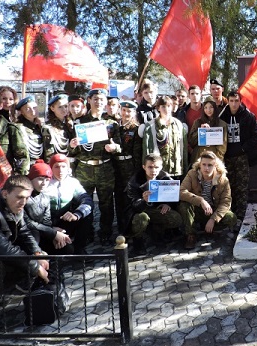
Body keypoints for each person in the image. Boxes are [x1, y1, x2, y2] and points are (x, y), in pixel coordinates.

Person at [0, 175, 49, 329]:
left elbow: (24, 232)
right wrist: (34, 266)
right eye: (19, 197)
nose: (23, 202)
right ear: (5, 193)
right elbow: (1, 247)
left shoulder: (14, 206)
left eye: (26, 198)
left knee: (29, 263)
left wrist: (37, 253)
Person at [68, 88, 121, 245]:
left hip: (105, 168)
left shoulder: (111, 123)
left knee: (106, 204)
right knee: (84, 202)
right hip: (85, 169)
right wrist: (72, 145)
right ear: (89, 101)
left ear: (106, 102)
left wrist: (114, 148)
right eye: (95, 99)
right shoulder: (79, 123)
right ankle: (87, 232)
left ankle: (105, 232)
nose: (99, 102)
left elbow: (119, 146)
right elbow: (72, 150)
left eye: (102, 99)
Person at [125, 153, 184, 252]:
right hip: (140, 211)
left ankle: (156, 231)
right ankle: (137, 240)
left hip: (155, 210)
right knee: (142, 219)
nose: (153, 170)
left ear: (161, 167)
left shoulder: (165, 177)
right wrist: (143, 200)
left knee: (176, 219)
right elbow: (133, 207)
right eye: (150, 167)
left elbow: (173, 195)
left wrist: (167, 204)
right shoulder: (134, 182)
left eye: (156, 167)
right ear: (144, 167)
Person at [179, 151, 238, 249]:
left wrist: (213, 219)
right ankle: (191, 235)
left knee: (231, 218)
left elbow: (226, 202)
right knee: (184, 205)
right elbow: (181, 192)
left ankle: (209, 228)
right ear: (200, 164)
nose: (206, 168)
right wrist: (201, 200)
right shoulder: (192, 174)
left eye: (210, 165)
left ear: (215, 166)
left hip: (213, 210)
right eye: (204, 165)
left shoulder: (223, 180)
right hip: (197, 209)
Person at [219, 90, 257, 219]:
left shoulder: (248, 116)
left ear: (240, 101)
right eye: (231, 101)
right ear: (228, 101)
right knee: (228, 187)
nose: (234, 104)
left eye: (236, 101)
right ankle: (229, 215)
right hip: (226, 157)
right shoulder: (222, 116)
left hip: (242, 157)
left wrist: (243, 148)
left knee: (242, 187)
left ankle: (240, 216)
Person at [43, 154, 94, 254]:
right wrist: (51, 229)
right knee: (63, 250)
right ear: (51, 168)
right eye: (56, 167)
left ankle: (80, 249)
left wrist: (76, 214)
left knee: (86, 214)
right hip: (45, 223)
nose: (60, 170)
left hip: (64, 221)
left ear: (68, 168)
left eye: (63, 167)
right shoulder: (44, 182)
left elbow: (87, 200)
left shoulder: (73, 182)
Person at [24, 159, 73, 254]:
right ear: (31, 178)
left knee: (67, 247)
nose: (44, 183)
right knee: (35, 235)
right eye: (40, 179)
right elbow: (26, 222)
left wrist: (53, 234)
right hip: (27, 233)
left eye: (47, 180)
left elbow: (46, 221)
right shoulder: (24, 196)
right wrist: (52, 233)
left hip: (42, 231)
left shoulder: (45, 197)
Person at [0, 89, 29, 174]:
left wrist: (16, 179)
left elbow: (22, 157)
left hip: (4, 179)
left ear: (0, 106)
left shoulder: (10, 129)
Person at [141, 95, 188, 179]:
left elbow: (183, 149)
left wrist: (184, 168)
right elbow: (147, 150)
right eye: (163, 106)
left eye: (169, 106)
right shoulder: (150, 126)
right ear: (158, 108)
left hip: (176, 170)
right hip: (158, 171)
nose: (166, 109)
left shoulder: (179, 125)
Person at [114, 101, 143, 229]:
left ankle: (130, 227)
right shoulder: (113, 127)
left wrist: (136, 173)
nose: (126, 113)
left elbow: (137, 153)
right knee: (118, 198)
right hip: (115, 167)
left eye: (129, 111)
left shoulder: (136, 129)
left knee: (129, 198)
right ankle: (121, 227)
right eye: (124, 110)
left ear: (134, 113)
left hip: (129, 167)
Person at [189, 96, 227, 164]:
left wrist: (217, 160)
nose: (208, 110)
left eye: (211, 107)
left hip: (214, 158)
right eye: (205, 107)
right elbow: (191, 142)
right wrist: (200, 131)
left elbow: (223, 146)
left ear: (215, 108)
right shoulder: (197, 122)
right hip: (199, 158)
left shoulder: (222, 124)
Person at [42, 93, 71, 162]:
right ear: (52, 108)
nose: (64, 109)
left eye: (66, 106)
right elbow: (48, 152)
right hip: (56, 165)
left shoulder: (70, 125)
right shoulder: (47, 127)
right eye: (60, 107)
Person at [15, 96, 44, 164]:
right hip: (27, 164)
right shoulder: (18, 128)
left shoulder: (41, 126)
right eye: (28, 109)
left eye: (34, 107)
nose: (32, 110)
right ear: (22, 112)